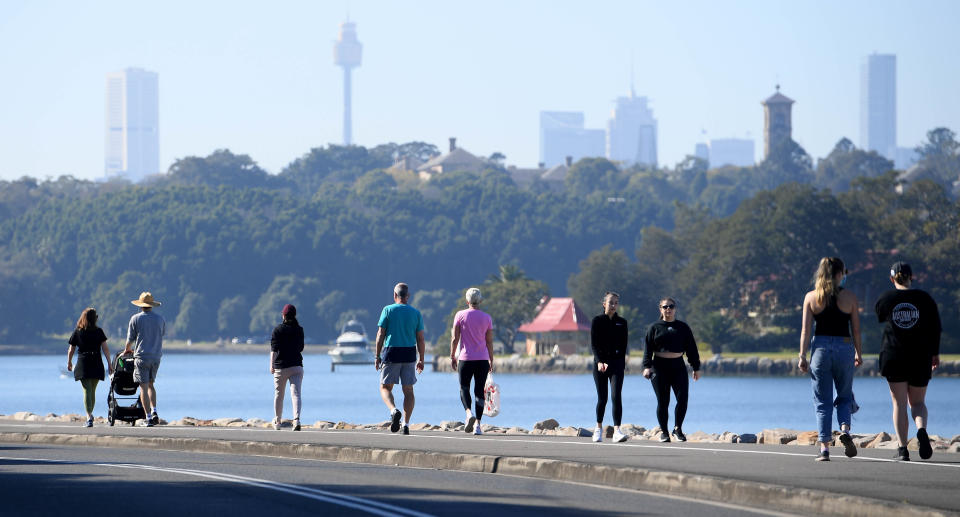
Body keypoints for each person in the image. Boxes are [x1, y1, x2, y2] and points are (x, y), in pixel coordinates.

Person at [875, 261, 942, 461]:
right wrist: (935, 353)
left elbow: (880, 316)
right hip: (920, 356)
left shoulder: (886, 298)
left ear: (892, 278)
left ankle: (903, 449)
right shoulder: (924, 298)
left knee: (899, 403)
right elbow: (935, 328)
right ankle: (921, 430)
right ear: (912, 277)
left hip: (893, 355)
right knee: (918, 402)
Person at [798, 257, 862, 461]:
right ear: (838, 274)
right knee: (844, 395)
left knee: (822, 402)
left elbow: (806, 331)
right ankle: (844, 429)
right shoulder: (850, 298)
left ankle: (824, 448)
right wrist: (858, 353)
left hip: (821, 349)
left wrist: (802, 356)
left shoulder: (811, 298)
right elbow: (857, 331)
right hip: (844, 347)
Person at [642, 297, 701, 443]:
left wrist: (696, 367)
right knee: (663, 401)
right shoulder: (654, 327)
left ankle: (677, 429)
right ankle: (664, 432)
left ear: (675, 309)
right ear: (660, 309)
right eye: (665, 307)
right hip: (659, 367)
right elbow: (647, 349)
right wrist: (646, 367)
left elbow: (691, 348)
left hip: (678, 366)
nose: (668, 309)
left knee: (683, 399)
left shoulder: (683, 327)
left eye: (671, 306)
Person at [375, 282, 426, 435]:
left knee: (385, 387)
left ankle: (393, 410)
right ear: (408, 296)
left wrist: (377, 356)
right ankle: (406, 424)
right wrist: (421, 359)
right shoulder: (416, 313)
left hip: (392, 352)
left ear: (394, 295)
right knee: (408, 390)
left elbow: (380, 335)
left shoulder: (388, 310)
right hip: (409, 353)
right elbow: (421, 339)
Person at [450, 287, 495, 436]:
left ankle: (468, 414)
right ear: (480, 301)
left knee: (464, 387)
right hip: (482, 359)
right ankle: (478, 426)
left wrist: (452, 356)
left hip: (465, 358)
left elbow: (455, 338)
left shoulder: (460, 315)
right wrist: (491, 360)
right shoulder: (487, 318)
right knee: (479, 392)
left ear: (467, 301)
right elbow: (489, 342)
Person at [590, 292, 629, 443]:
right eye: (611, 302)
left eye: (616, 303)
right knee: (603, 398)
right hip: (600, 365)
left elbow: (624, 345)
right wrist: (600, 361)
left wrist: (621, 364)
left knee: (616, 396)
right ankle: (598, 429)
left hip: (617, 364)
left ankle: (617, 431)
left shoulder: (622, 322)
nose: (613, 305)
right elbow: (594, 345)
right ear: (604, 304)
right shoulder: (597, 321)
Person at [123, 291, 165, 427]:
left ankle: (148, 418)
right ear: (151, 305)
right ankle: (154, 411)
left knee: (143, 387)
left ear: (141, 305)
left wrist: (126, 350)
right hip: (156, 356)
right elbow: (161, 334)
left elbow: (130, 340)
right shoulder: (160, 319)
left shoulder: (135, 319)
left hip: (141, 356)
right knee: (151, 385)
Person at [66, 308, 113, 427]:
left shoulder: (78, 331)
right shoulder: (99, 331)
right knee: (91, 390)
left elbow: (71, 349)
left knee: (87, 390)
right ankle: (90, 415)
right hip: (97, 362)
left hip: (84, 363)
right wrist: (109, 363)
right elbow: (105, 349)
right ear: (94, 319)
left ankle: (89, 417)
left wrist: (69, 362)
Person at [270, 304, 305, 431]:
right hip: (297, 366)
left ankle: (277, 421)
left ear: (283, 315)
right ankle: (296, 420)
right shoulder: (299, 329)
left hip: (281, 367)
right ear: (294, 315)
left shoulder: (277, 330)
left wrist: (271, 365)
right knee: (296, 394)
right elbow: (301, 348)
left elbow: (274, 350)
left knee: (279, 394)